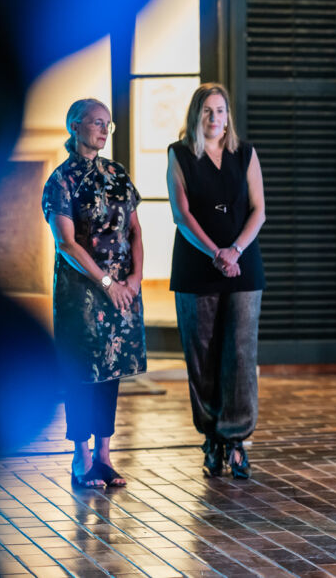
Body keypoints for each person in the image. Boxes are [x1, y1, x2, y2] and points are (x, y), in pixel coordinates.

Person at [42, 98, 146, 489]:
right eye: (97, 122)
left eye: (108, 124)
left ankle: (104, 456)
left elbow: (135, 230)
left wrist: (135, 280)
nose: (104, 130)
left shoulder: (117, 174)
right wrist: (107, 283)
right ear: (75, 126)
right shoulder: (61, 180)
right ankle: (81, 457)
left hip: (122, 291)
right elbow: (66, 243)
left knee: (111, 371)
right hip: (82, 294)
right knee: (81, 372)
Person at [167, 83, 266, 480]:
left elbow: (258, 210)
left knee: (241, 355)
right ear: (196, 115)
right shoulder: (179, 155)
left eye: (220, 110)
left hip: (243, 267)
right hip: (196, 267)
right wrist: (216, 253)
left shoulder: (246, 153)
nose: (214, 117)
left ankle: (236, 439)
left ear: (228, 117)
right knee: (202, 356)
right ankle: (211, 437)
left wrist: (235, 251)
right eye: (207, 110)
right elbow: (181, 214)